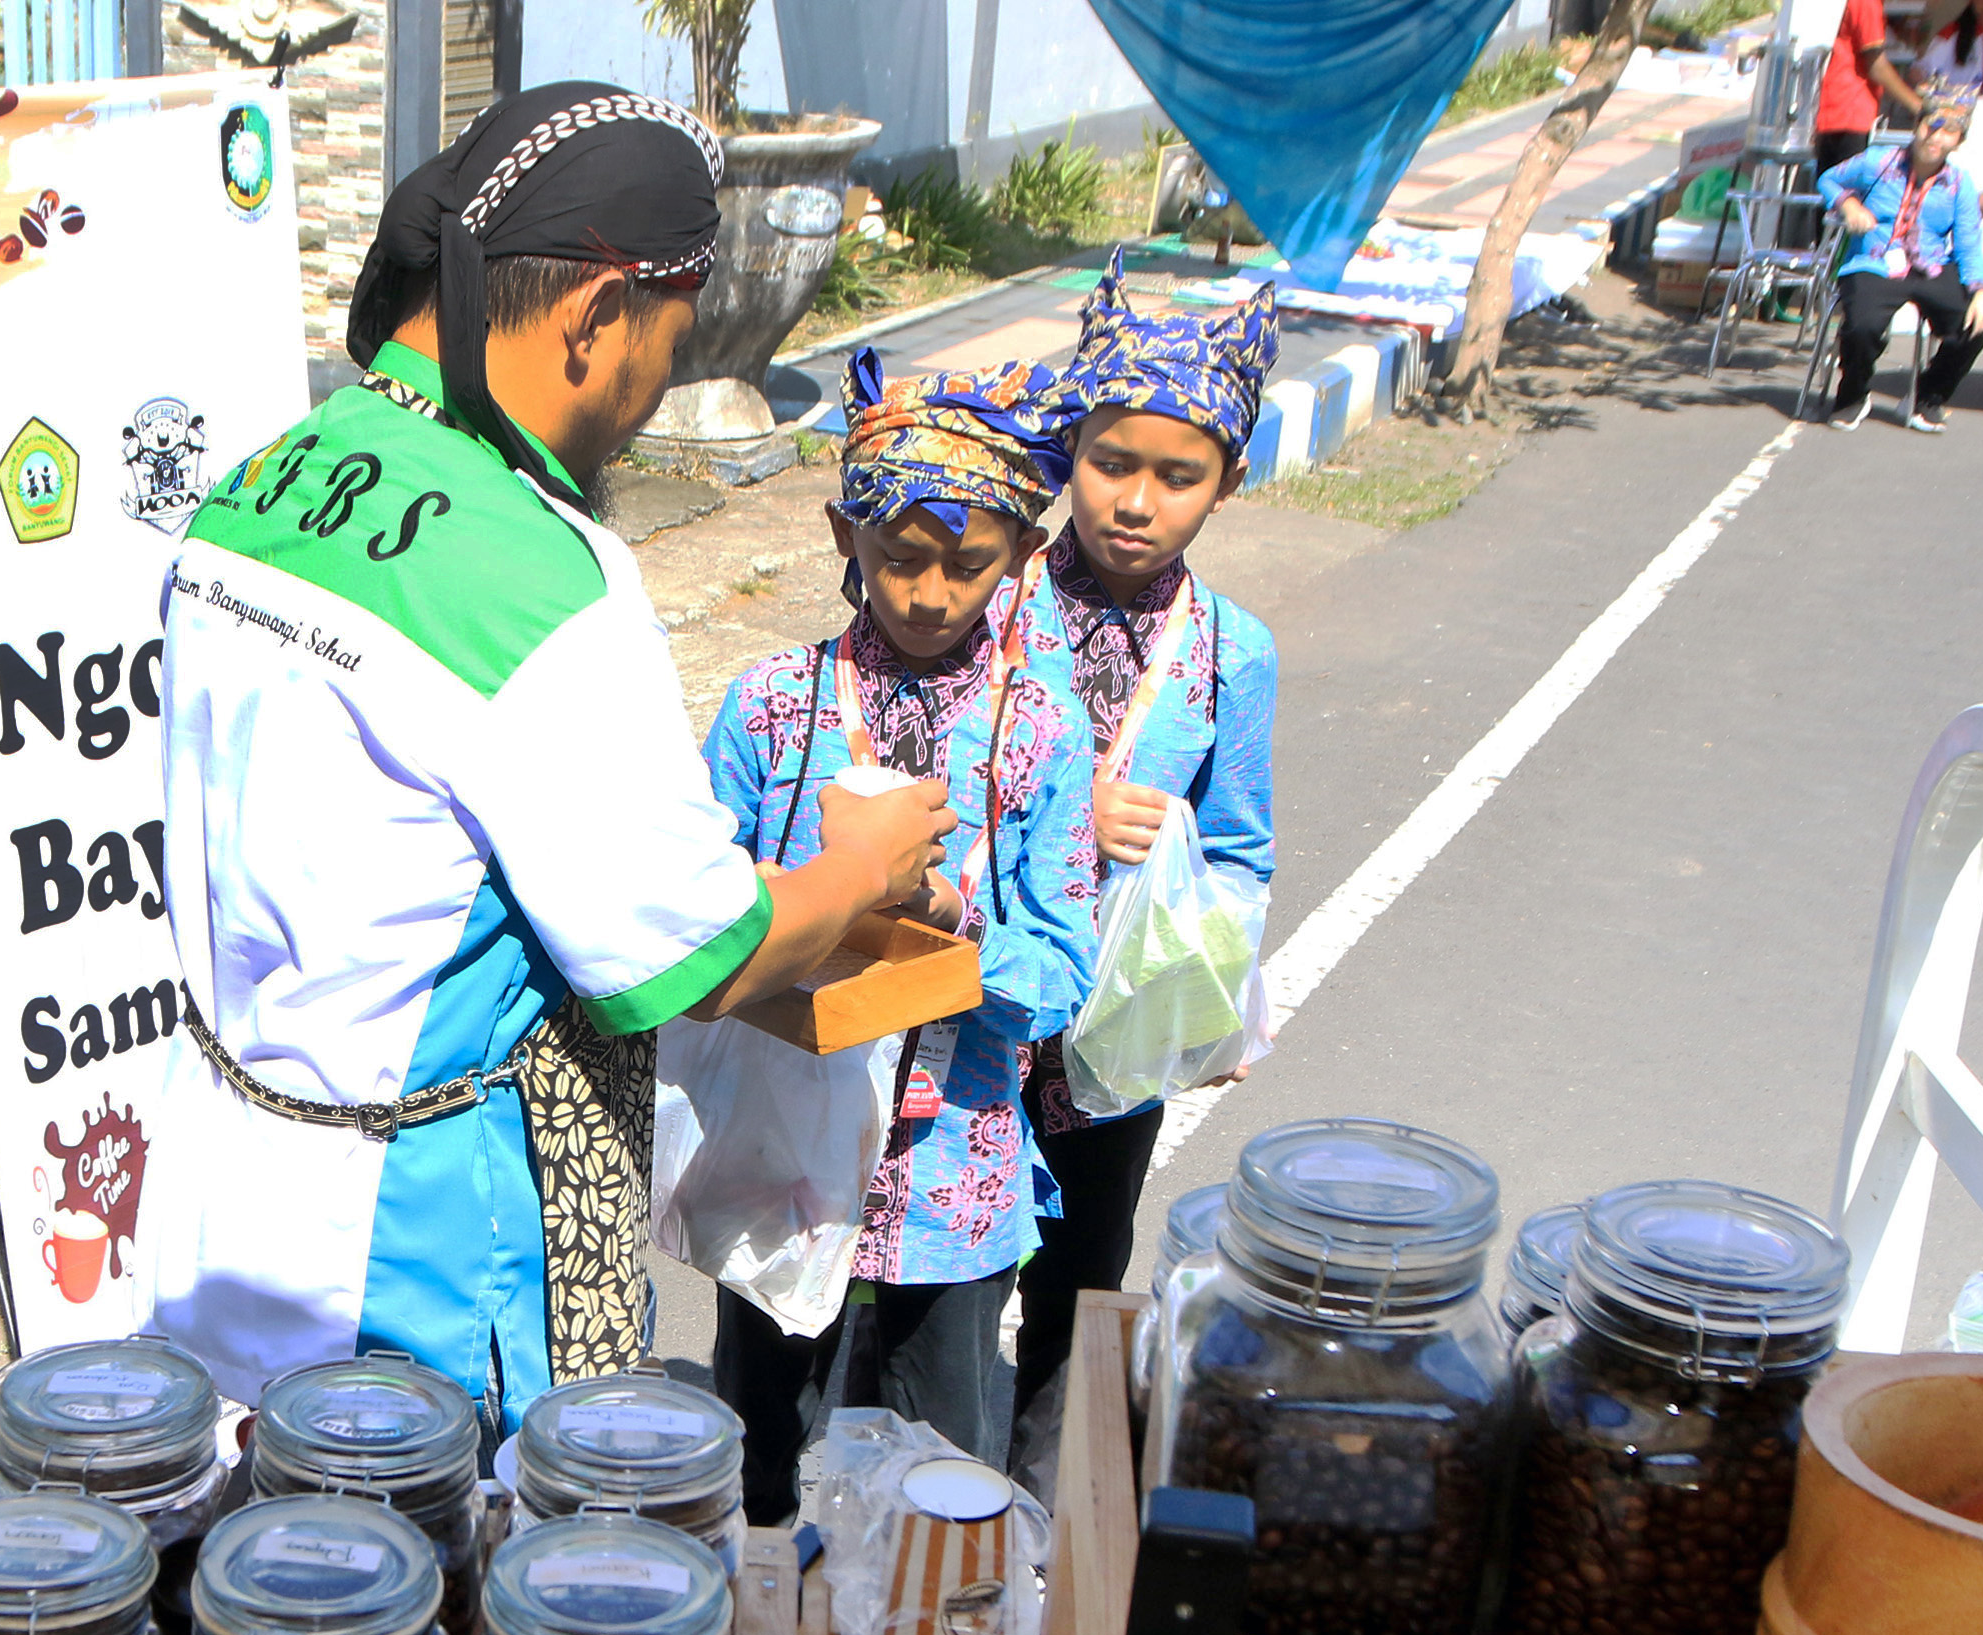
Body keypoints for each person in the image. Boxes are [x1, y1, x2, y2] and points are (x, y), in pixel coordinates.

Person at [145, 84, 960, 1418]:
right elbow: (701, 955)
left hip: (212, 1182)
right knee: (410, 1607)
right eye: (668, 346)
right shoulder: (542, 577)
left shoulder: (260, 482)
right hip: (402, 1261)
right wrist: (857, 867)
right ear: (596, 316)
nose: (650, 400)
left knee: (234, 1572)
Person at [698, 355, 1097, 1516]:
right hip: (784, 1158)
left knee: (939, 1483)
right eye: (895, 557)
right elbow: (700, 902)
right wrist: (799, 895)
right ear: (841, 535)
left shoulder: (1041, 732)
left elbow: (1060, 968)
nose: (927, 593)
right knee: (761, 1453)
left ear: (1023, 553)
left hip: (952, 1178)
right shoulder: (773, 704)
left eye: (966, 563)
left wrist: (951, 925)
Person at [998, 271, 1279, 1500]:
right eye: (1114, 462)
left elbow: (1241, 849)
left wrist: (1209, 997)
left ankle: (1036, 1514)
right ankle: (894, 1482)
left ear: (1227, 481)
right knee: (915, 1269)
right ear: (1073, 451)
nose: (1136, 501)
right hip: (974, 1006)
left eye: (1179, 476)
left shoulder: (1234, 650)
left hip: (1111, 1035)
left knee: (1082, 1267)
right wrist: (1058, 818)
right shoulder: (990, 600)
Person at [1823, 97, 1983, 427]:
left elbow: (1968, 245)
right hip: (1874, 261)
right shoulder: (1877, 162)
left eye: (1949, 131)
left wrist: (1981, 291)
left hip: (1929, 264)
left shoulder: (1960, 185)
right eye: (1930, 125)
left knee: (1975, 323)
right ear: (1916, 126)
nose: (1936, 137)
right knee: (1863, 324)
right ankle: (1853, 395)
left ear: (1959, 140)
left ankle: (1927, 396)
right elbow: (1829, 179)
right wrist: (1849, 205)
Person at [1817, 0, 1927, 175]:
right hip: (1850, 112)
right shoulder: (1867, 3)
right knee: (1845, 195)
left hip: (1835, 111)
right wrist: (1920, 107)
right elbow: (1876, 66)